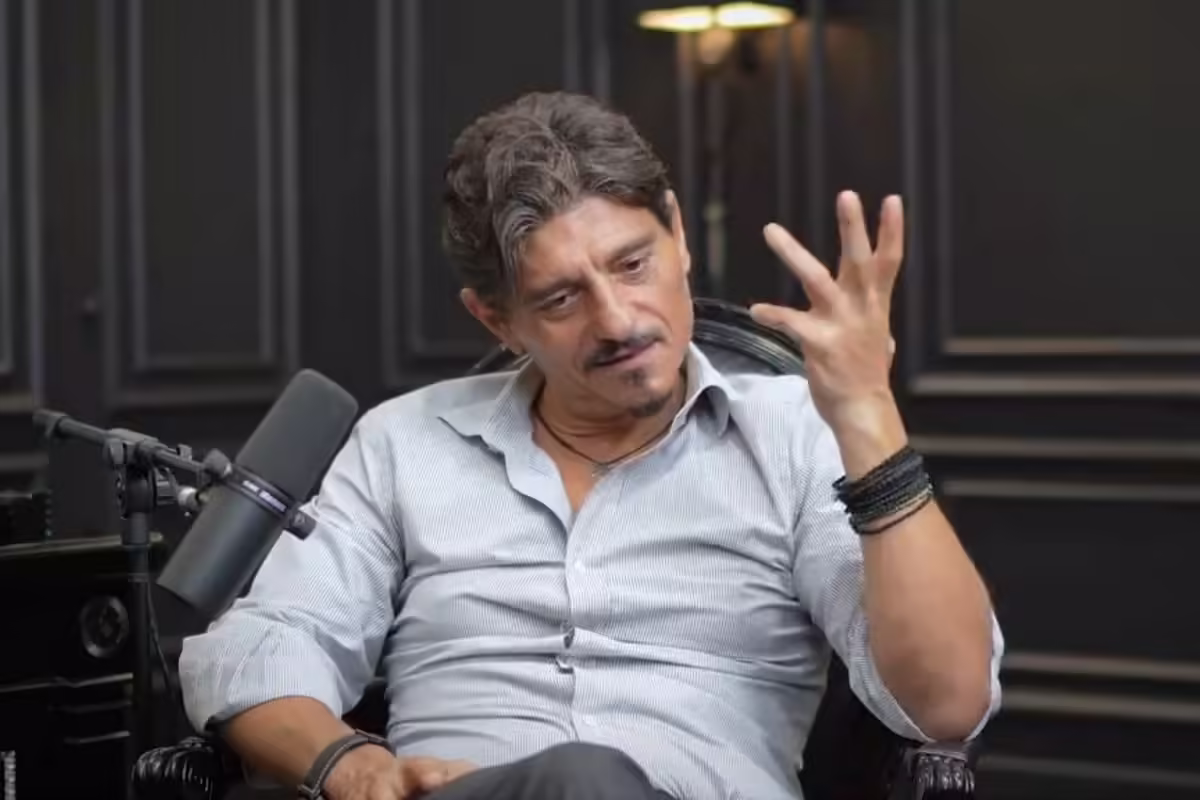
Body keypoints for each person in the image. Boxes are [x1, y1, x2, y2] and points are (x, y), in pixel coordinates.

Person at [178, 91, 1003, 800]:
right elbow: (255, 652)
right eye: (562, 299)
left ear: (678, 234)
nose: (617, 321)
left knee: (587, 780)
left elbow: (946, 704)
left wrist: (867, 414)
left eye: (633, 264)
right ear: (496, 319)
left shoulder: (795, 433)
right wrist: (347, 763)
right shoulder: (404, 444)